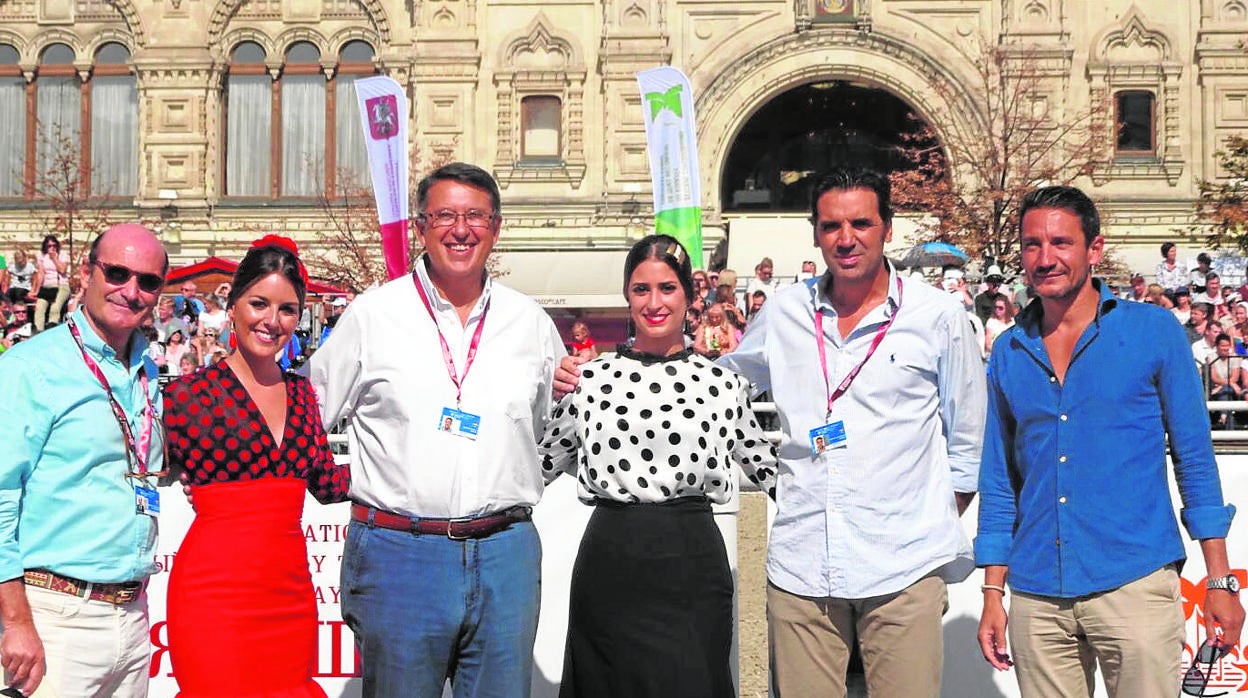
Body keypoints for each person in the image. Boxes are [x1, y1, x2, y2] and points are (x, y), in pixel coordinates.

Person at [555, 165, 987, 698]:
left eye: (861, 224)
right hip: (805, 570)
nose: (845, 239)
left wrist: (920, 523)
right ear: (815, 233)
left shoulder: (939, 317)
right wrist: (602, 375)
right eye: (831, 226)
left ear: (887, 229)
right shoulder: (785, 312)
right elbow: (723, 378)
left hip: (901, 565)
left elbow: (969, 447)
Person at [975, 185, 1244, 698]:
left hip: (1134, 582)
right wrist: (992, 592)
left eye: (1061, 242)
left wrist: (1220, 580)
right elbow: (1000, 480)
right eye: (1032, 245)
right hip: (1036, 593)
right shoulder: (1010, 350)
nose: (1045, 258)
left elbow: (1195, 461)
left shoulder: (1154, 332)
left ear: (1093, 250)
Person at [308, 162, 565, 698]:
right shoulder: (374, 314)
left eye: (475, 216)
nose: (461, 229)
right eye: (444, 215)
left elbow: (551, 431)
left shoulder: (531, 323)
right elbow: (309, 417)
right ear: (421, 228)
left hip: (504, 554)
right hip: (401, 555)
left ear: (495, 229)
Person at [539, 235, 778, 698]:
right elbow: (534, 468)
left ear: (689, 296)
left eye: (667, 288)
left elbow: (771, 473)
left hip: (693, 567)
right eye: (641, 289)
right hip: (611, 564)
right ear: (627, 297)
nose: (654, 302)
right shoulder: (591, 380)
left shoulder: (723, 384)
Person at [162, 236, 349, 697]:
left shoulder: (304, 394)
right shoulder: (184, 397)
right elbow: (143, 468)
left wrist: (410, 455)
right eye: (259, 304)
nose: (272, 321)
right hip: (212, 597)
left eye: (287, 309)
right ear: (232, 305)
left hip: (289, 595)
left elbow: (327, 484)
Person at [0, 223, 168, 697]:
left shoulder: (146, 372)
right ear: (85, 274)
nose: (131, 291)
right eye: (117, 273)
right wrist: (15, 622)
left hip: (132, 618)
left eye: (148, 281)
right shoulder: (30, 368)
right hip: (54, 617)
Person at [32, 235, 71, 332]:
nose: (52, 248)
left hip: (61, 285)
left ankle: (51, 330)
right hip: (47, 287)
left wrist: (54, 258)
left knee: (55, 307)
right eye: (49, 246)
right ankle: (38, 332)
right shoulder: (41, 255)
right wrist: (36, 290)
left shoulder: (62, 254)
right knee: (39, 307)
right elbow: (40, 273)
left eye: (54, 245)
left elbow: (62, 270)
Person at [1208, 333, 1245, 430]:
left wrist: (1221, 386)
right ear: (1217, 346)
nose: (1225, 348)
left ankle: (1223, 416)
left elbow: (1235, 378)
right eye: (1223, 346)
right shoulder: (1211, 358)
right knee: (1226, 391)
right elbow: (1214, 377)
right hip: (1216, 391)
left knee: (1226, 390)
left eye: (1227, 345)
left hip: (1228, 390)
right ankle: (1227, 421)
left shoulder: (1235, 357)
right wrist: (1231, 383)